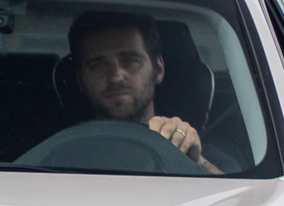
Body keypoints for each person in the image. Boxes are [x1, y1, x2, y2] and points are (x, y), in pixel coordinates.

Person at [68, 10, 218, 173]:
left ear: (158, 69)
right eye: (97, 65)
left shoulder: (199, 150)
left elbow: (237, 194)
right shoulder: (60, 155)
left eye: (131, 61)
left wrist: (194, 160)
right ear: (80, 80)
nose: (116, 77)